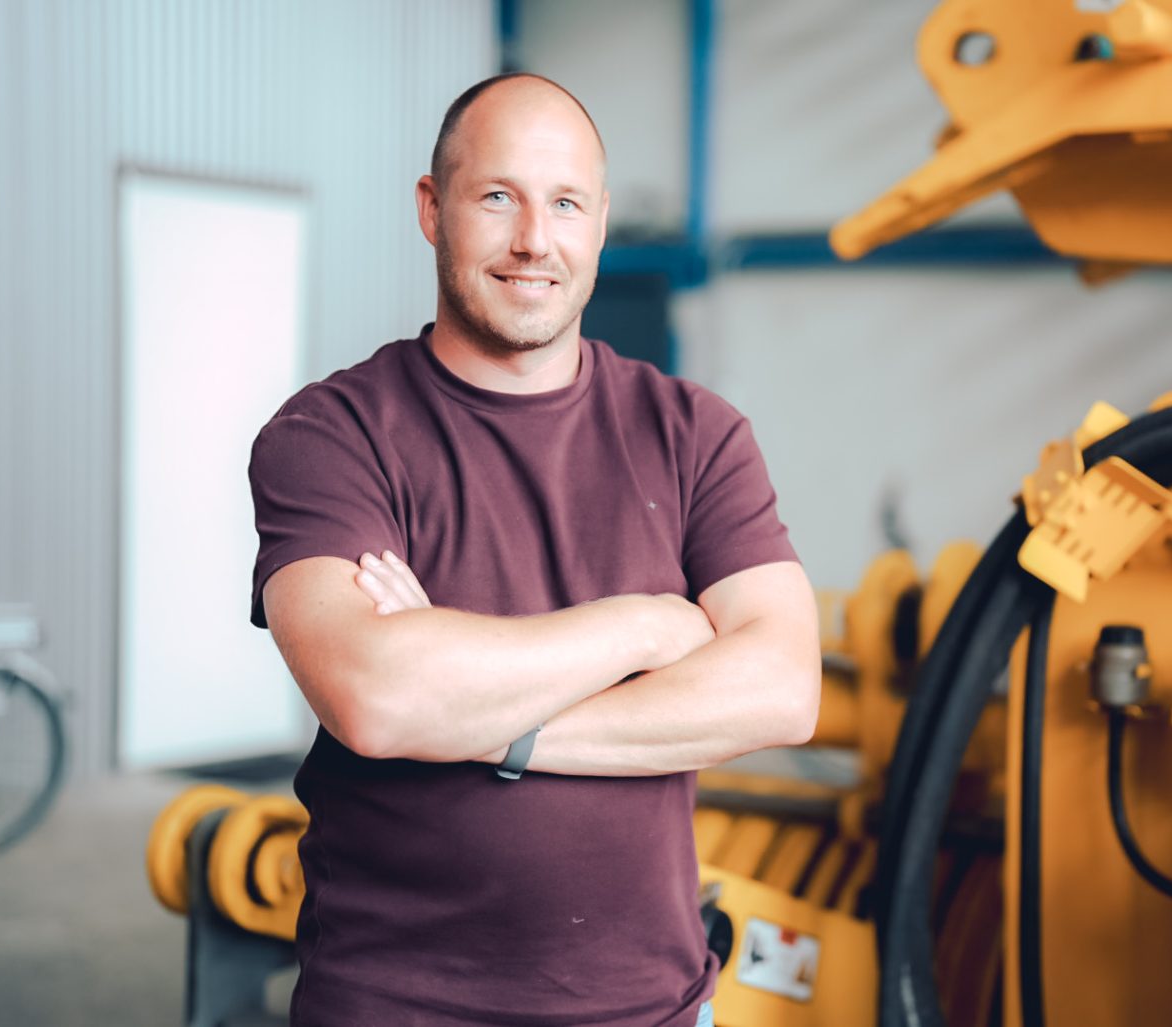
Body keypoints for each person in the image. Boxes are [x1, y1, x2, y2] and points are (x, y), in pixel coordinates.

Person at [247, 73, 820, 1027]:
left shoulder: (695, 434)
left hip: (650, 1009)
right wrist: (648, 624)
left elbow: (782, 686)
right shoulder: (332, 434)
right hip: (396, 1005)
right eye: (498, 196)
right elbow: (380, 698)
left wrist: (492, 722)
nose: (533, 241)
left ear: (598, 223)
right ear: (433, 209)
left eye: (565, 204)